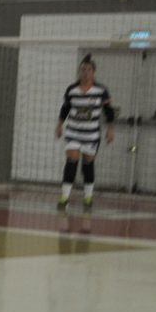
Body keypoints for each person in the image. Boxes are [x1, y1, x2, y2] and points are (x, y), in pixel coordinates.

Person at [56, 55, 116, 209]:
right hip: (73, 133)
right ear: (79, 72)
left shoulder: (101, 90)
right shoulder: (72, 90)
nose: (85, 72)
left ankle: (88, 197)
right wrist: (59, 125)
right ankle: (64, 197)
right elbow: (65, 108)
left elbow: (109, 111)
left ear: (93, 72)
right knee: (71, 162)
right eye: (83, 69)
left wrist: (110, 129)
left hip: (91, 134)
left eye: (89, 70)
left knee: (87, 166)